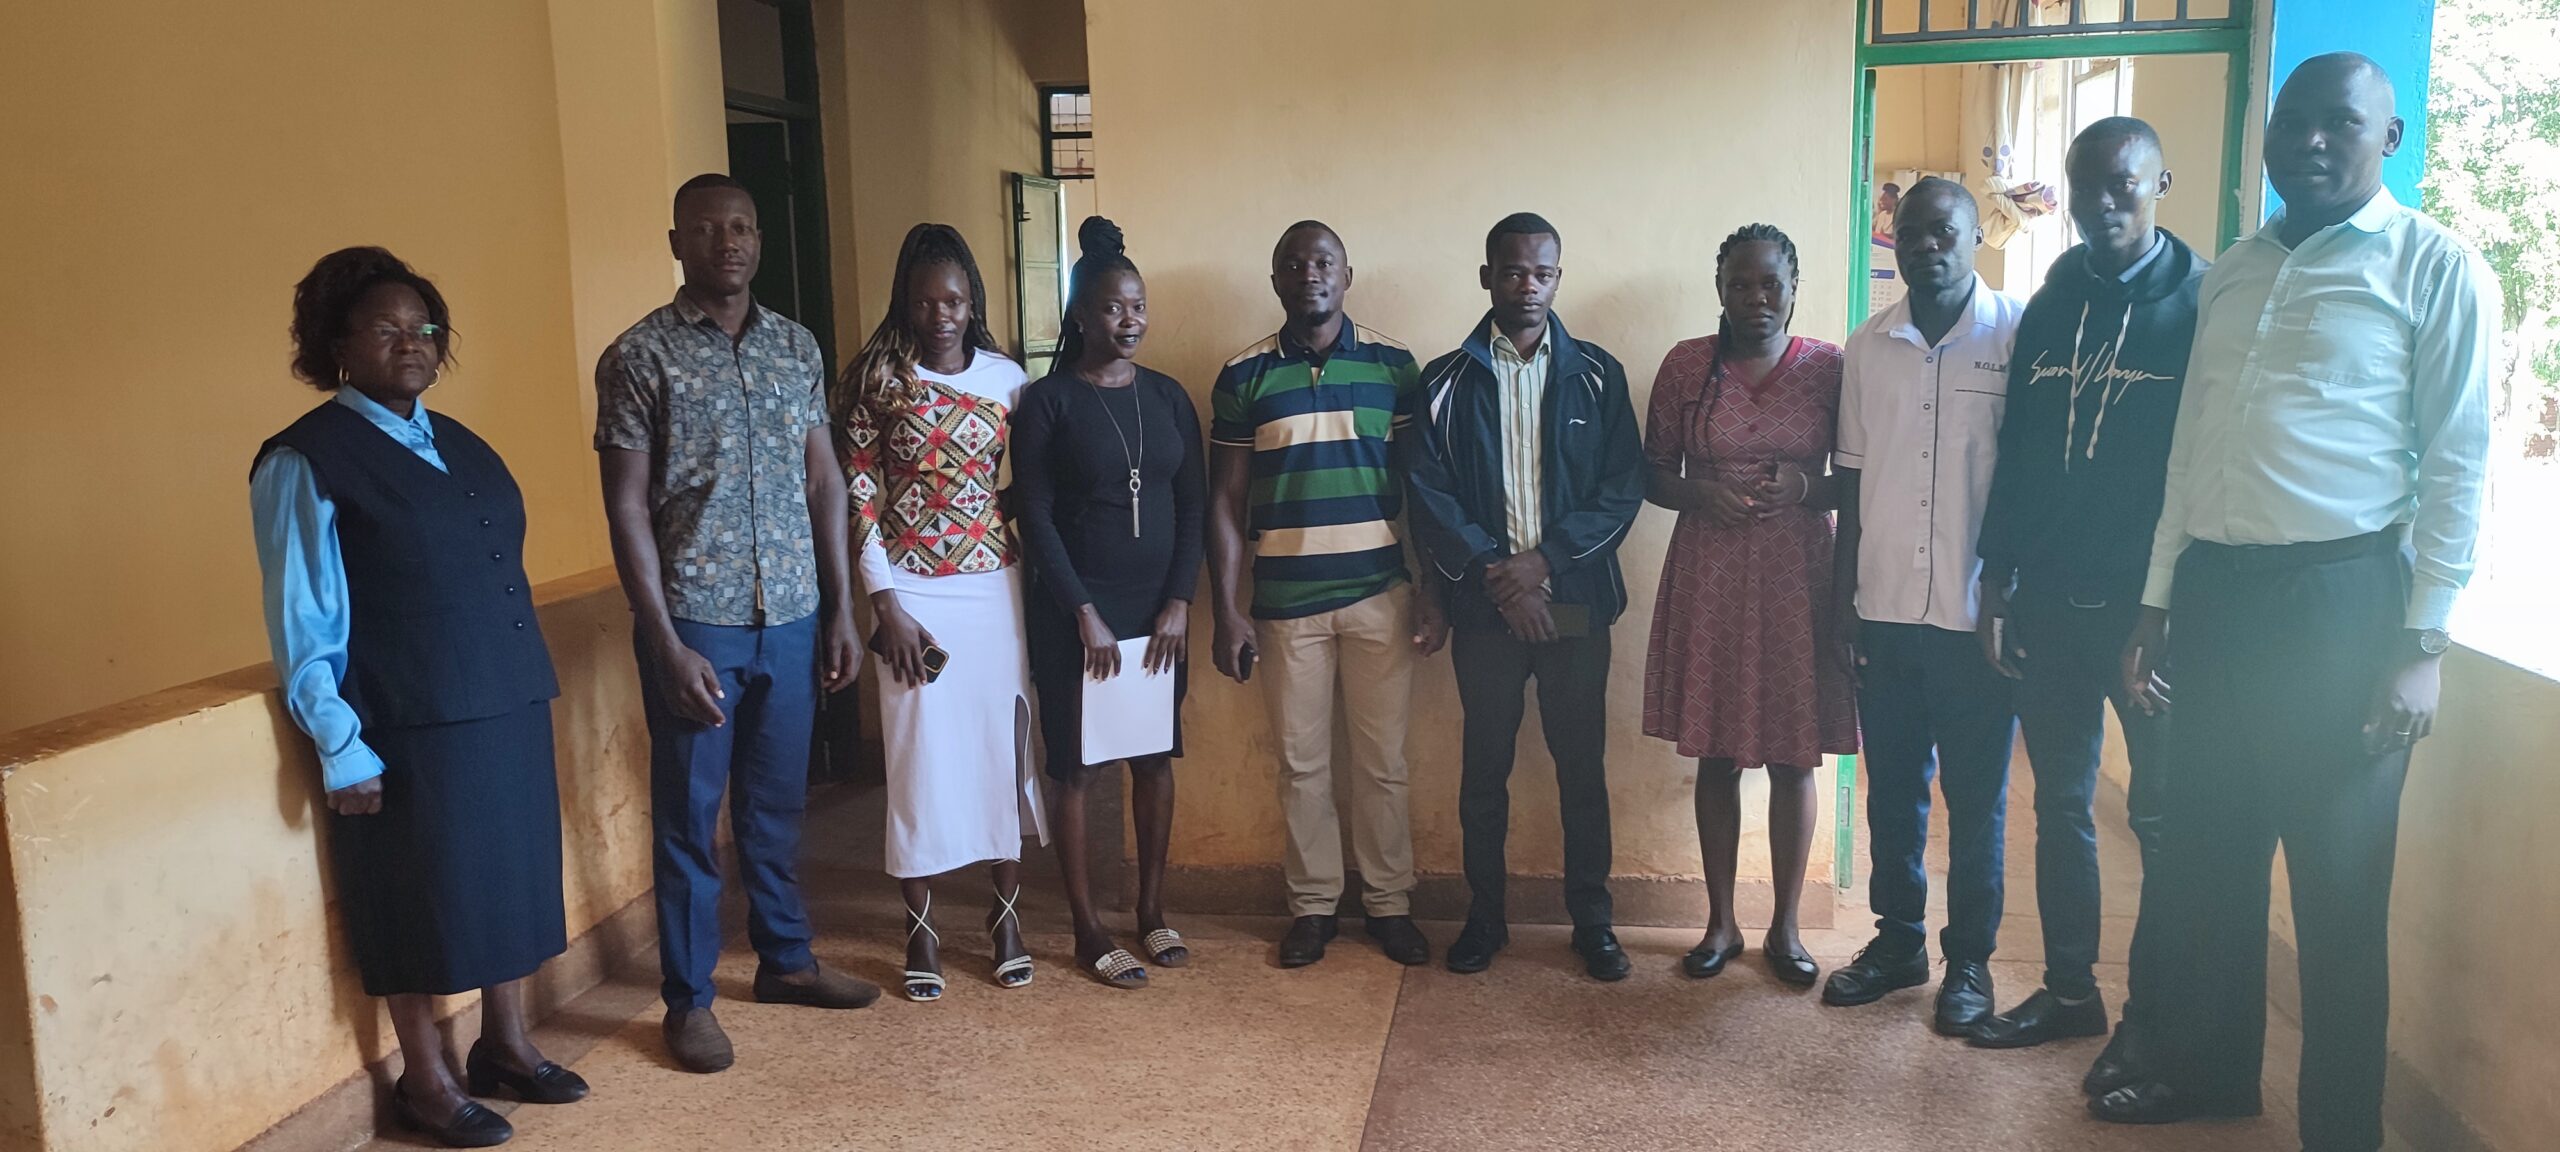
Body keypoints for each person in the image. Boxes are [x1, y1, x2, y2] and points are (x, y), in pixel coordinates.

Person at [2094, 56, 2495, 1152]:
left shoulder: (2434, 265)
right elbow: (2192, 449)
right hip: (2217, 596)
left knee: (2337, 897)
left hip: (2343, 610)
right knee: (2210, 867)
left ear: (2390, 136)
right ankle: (2216, 1075)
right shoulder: (2234, 270)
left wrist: (2423, 641)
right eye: (2292, 122)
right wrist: (2157, 601)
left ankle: (2340, 1135)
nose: (2310, 141)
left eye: (2339, 123)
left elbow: (2458, 462)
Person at [254, 247, 586, 1148]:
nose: (412, 342)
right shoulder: (306, 459)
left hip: (505, 699)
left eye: (424, 327)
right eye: (386, 329)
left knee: (510, 885)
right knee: (416, 898)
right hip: (409, 719)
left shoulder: (461, 443)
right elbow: (304, 619)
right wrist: (339, 741)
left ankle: (506, 1045)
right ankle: (425, 1079)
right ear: (337, 346)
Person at [597, 174, 875, 1075]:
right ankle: (689, 1000)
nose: (731, 242)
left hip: (791, 613)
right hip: (697, 623)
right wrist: (663, 640)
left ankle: (787, 961)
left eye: (744, 227)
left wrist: (841, 606)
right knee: (691, 819)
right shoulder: (638, 356)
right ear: (676, 242)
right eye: (710, 228)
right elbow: (627, 507)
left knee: (775, 806)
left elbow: (825, 480)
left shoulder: (796, 346)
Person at [1964, 118, 2204, 1072]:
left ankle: (2160, 1018)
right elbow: (2020, 449)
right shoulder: (2054, 300)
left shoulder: (2202, 303)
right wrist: (1996, 579)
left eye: (2123, 183)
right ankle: (2071, 994)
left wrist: (2170, 606)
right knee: (2061, 806)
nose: (2102, 203)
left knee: (2161, 821)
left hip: (2154, 616)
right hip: (2052, 606)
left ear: (2160, 183)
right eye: (2084, 185)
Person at [1405, 212, 1645, 983]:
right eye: (1513, 271)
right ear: (1488, 278)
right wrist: (1499, 578)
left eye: (1542, 273)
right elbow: (1429, 493)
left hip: (1575, 605)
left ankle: (1594, 922)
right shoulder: (1444, 381)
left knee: (1581, 769)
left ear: (1558, 279)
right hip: (1485, 610)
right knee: (1485, 771)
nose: (1528, 286)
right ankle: (1485, 918)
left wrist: (1544, 563)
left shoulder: (1598, 374)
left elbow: (1622, 488)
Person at [1822, 179, 2027, 1033]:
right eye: (1910, 234)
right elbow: (1851, 483)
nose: (1925, 246)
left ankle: (1969, 961)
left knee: (1977, 801)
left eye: (1943, 231)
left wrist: (2014, 596)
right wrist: (1844, 604)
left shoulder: (2016, 334)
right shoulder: (1867, 347)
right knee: (1893, 792)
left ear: (1976, 236)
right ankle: (1898, 940)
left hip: (1978, 618)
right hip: (1886, 609)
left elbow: (2030, 480)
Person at [1207, 220, 1433, 970]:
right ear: (1276, 278)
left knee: (1382, 764)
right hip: (1285, 605)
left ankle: (1390, 904)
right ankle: (1312, 907)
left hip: (1380, 594)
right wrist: (1228, 609)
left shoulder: (1395, 367)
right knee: (1302, 766)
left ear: (1347, 275)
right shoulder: (1243, 375)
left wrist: (1431, 590)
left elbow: (1422, 491)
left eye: (1325, 262)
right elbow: (1224, 501)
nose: (1311, 274)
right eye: (1295, 263)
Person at [1640, 223, 1855, 987]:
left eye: (1770, 283)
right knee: (1717, 752)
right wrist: (1701, 494)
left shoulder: (1830, 368)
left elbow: (1857, 477)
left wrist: (1806, 487)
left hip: (1801, 576)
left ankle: (1787, 929)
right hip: (1712, 573)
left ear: (1794, 289)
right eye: (1740, 283)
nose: (1756, 297)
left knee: (1797, 755)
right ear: (1720, 289)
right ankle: (1721, 923)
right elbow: (1651, 472)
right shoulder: (1685, 365)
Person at [841, 222, 1049, 1002]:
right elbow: (859, 494)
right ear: (906, 301)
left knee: (1001, 748)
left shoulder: (1007, 379)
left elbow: (1035, 474)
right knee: (917, 754)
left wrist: (990, 511)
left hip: (994, 589)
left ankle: (1005, 918)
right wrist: (884, 603)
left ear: (973, 303)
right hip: (911, 594)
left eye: (955, 301)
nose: (941, 315)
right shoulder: (877, 380)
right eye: (927, 301)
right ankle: (920, 927)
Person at [1012, 217, 1206, 987]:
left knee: (1152, 760)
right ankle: (1088, 927)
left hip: (1157, 616)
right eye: (1113, 308)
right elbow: (1034, 515)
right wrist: (1082, 612)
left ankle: (1151, 910)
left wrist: (1180, 601)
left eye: (1138, 306)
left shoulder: (1168, 397)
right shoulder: (1048, 401)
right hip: (1077, 617)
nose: (1129, 320)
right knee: (1080, 768)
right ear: (1081, 316)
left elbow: (1192, 506)